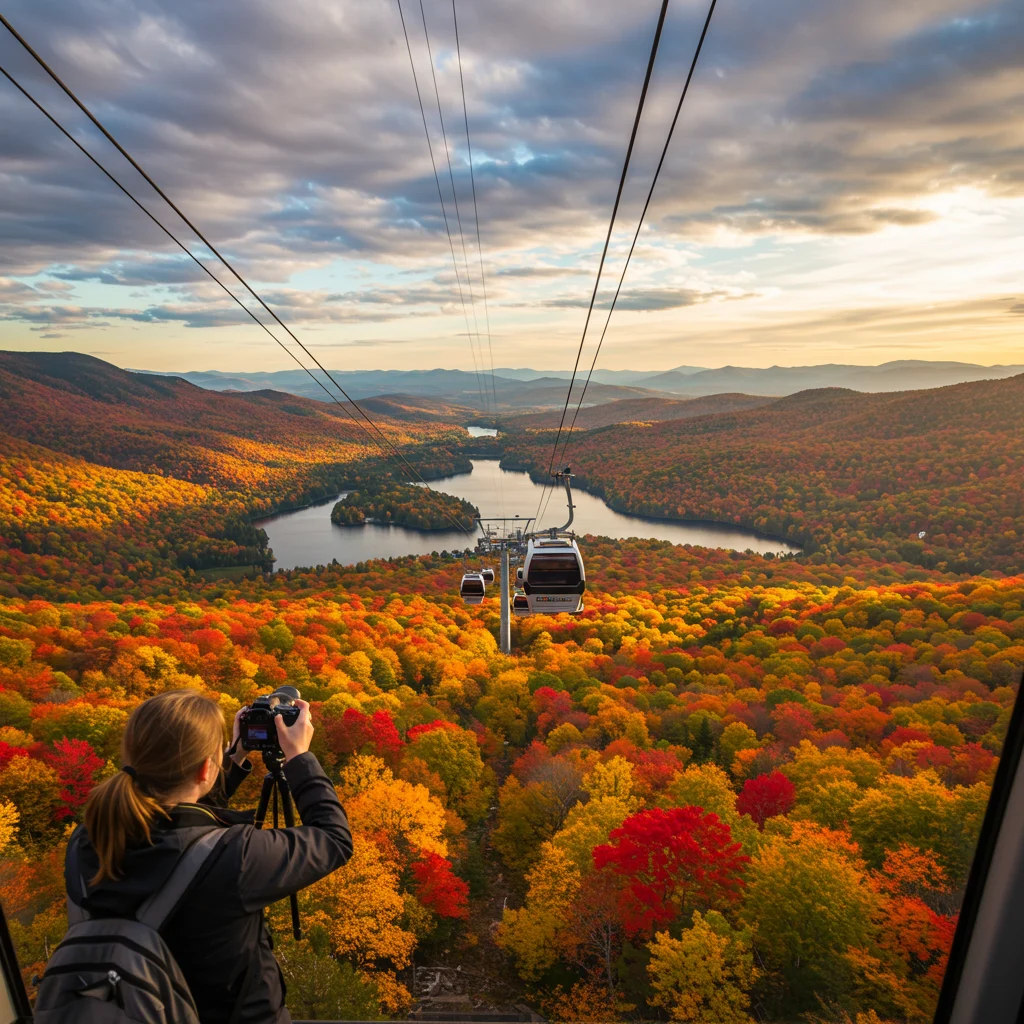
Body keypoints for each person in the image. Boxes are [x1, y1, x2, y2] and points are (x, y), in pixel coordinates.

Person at [65, 689, 352, 1024]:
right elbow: (333, 838)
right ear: (205, 770)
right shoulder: (235, 857)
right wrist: (299, 757)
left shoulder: (88, 839)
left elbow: (181, 823)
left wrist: (233, 757)